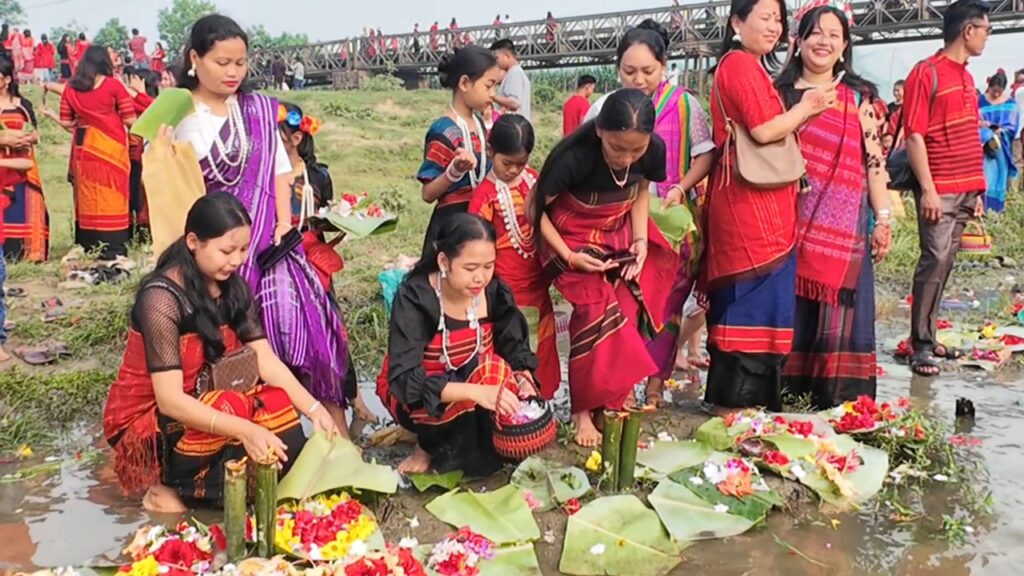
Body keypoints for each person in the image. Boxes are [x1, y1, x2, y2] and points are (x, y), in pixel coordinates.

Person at [102, 193, 338, 514]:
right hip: (148, 418)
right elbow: (170, 400)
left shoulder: (232, 287)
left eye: (243, 250)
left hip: (204, 398)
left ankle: (205, 491)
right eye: (227, 251)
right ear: (193, 242)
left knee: (277, 406)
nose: (237, 260)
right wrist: (245, 430)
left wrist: (313, 409)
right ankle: (167, 487)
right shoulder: (160, 299)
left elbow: (265, 360)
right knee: (238, 412)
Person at [174, 14, 351, 431]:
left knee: (303, 326)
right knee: (227, 349)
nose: (234, 72)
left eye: (241, 62)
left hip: (269, 245)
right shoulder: (180, 115)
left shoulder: (257, 108)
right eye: (222, 62)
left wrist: (284, 224)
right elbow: (174, 190)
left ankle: (335, 437)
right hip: (213, 251)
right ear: (194, 59)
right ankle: (246, 435)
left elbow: (279, 171)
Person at [702, 0, 833, 412]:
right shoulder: (739, 65)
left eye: (778, 19)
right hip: (748, 209)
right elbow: (761, 131)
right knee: (749, 300)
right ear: (737, 21)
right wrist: (805, 108)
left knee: (763, 302)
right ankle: (734, 407)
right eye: (765, 17)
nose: (774, 26)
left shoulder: (753, 67)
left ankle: (747, 408)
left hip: (764, 207)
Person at [527, 89, 675, 446]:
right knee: (594, 310)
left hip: (619, 232)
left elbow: (640, 191)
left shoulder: (652, 150)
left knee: (627, 305)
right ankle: (581, 410)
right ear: (599, 132)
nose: (626, 158)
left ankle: (612, 401)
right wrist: (570, 256)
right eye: (617, 148)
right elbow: (536, 211)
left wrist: (640, 242)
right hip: (568, 237)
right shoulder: (573, 157)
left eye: (635, 150)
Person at [585, 20, 716, 404]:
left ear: (664, 66)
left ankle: (656, 388)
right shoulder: (602, 109)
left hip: (673, 226)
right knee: (622, 307)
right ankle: (619, 389)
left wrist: (680, 187)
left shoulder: (685, 105)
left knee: (668, 309)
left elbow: (706, 153)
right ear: (616, 69)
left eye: (648, 71)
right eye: (629, 71)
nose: (639, 79)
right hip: (617, 226)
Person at [775, 3, 891, 408]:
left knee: (840, 319)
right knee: (788, 312)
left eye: (834, 35)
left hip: (844, 234)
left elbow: (874, 164)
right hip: (785, 227)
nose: (824, 41)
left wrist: (884, 218)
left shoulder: (860, 99)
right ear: (799, 40)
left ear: (844, 47)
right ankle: (785, 397)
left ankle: (836, 402)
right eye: (816, 33)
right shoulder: (780, 95)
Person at [377, 213, 539, 476]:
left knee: (497, 375)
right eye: (471, 268)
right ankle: (424, 444)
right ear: (444, 261)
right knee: (479, 382)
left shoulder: (494, 291)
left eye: (489, 266)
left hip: (479, 380)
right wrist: (476, 393)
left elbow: (513, 345)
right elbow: (405, 379)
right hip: (424, 391)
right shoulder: (415, 298)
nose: (481, 278)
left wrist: (524, 378)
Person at [903, 0, 989, 376]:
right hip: (940, 187)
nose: (987, 37)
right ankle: (919, 345)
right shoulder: (926, 73)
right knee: (933, 260)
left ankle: (929, 335)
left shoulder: (968, 78)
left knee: (946, 262)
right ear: (968, 30)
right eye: (985, 29)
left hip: (967, 187)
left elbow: (968, 134)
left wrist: (979, 189)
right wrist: (928, 189)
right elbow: (915, 135)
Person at [468, 115, 560, 398]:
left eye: (520, 163)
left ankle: (540, 402)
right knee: (510, 341)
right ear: (492, 151)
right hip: (505, 288)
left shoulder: (534, 181)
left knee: (541, 342)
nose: (514, 170)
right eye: (507, 163)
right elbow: (476, 246)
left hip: (537, 282)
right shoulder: (485, 196)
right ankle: (509, 404)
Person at [39, 46, 136, 260]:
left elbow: (66, 122)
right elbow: (130, 120)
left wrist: (74, 120)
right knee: (113, 194)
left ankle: (89, 243)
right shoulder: (113, 85)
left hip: (84, 147)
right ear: (105, 62)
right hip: (111, 145)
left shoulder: (71, 88)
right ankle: (113, 245)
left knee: (88, 194)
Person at [417, 46, 501, 252]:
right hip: (451, 227)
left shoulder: (480, 125)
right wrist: (454, 171)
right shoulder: (444, 131)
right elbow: (428, 194)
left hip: (479, 220)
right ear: (464, 83)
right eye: (488, 86)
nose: (493, 94)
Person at [0, 57, 49, 263]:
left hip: (23, 162)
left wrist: (27, 138)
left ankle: (27, 251)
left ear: (7, 79)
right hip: (3, 162)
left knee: (26, 205)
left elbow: (36, 133)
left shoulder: (22, 104)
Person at [124, 67, 160, 240]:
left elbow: (155, 113)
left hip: (147, 155)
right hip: (129, 155)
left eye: (133, 80)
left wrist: (140, 93)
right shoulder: (132, 102)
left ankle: (146, 230)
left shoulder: (151, 101)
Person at [979, 69, 1019, 212]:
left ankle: (996, 209)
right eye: (994, 91)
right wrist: (982, 126)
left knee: (999, 176)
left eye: (999, 92)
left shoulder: (1011, 103)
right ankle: (981, 207)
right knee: (984, 175)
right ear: (989, 86)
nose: (996, 94)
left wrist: (1002, 130)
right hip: (983, 145)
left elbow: (1013, 125)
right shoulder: (980, 101)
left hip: (1001, 145)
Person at [490, 39, 531, 121]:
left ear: (507, 56)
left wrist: (492, 96)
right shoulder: (514, 72)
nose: (496, 61)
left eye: (497, 57)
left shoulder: (514, 73)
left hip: (515, 127)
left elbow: (514, 103)